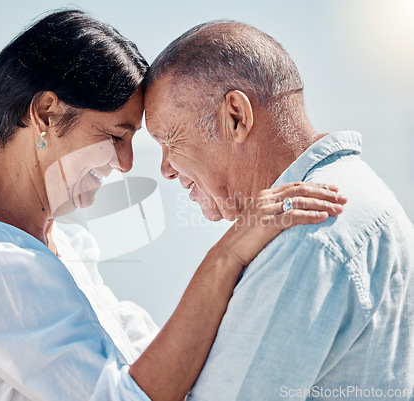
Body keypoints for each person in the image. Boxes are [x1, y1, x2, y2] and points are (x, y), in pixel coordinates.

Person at [0, 10, 347, 401]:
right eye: (115, 136)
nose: (126, 164)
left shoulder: (57, 245)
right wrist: (227, 255)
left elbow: (151, 361)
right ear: (46, 113)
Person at [143, 20, 414, 400]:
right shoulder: (357, 195)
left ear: (235, 116)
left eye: (168, 140)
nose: (166, 169)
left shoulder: (306, 234)